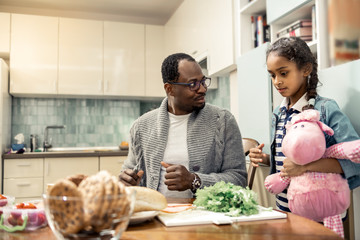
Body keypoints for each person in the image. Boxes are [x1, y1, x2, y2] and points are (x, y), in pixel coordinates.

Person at [249, 37, 360, 212]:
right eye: (272, 75)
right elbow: (290, 161)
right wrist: (265, 159)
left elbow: (354, 161)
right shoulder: (278, 113)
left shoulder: (325, 109)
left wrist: (304, 168)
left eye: (283, 73)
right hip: (284, 208)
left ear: (306, 69)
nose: (277, 81)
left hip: (319, 212)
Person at [119, 53, 247, 198]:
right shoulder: (141, 126)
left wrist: (195, 181)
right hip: (156, 214)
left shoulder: (223, 121)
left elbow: (239, 179)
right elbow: (129, 171)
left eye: (203, 81)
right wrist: (126, 181)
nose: (203, 89)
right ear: (170, 89)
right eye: (193, 84)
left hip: (205, 216)